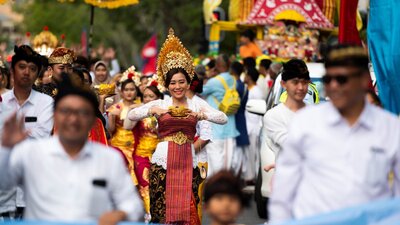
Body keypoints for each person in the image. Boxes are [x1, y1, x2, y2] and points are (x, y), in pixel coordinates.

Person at [269, 45, 400, 223]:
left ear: (363, 80)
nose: (333, 86)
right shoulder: (306, 124)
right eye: (328, 79)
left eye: (342, 79)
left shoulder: (389, 129)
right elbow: (283, 195)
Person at [0, 74, 143, 224]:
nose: (73, 119)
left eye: (82, 112)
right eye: (66, 111)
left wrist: (119, 214)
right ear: (54, 116)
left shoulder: (108, 159)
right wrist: (5, 149)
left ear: (92, 119)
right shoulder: (33, 153)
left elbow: (133, 206)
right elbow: (4, 184)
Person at [127, 28, 227, 225]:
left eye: (182, 82)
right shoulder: (162, 104)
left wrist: (202, 115)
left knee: (188, 211)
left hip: (188, 161)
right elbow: (131, 114)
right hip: (163, 161)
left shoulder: (196, 104)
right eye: (173, 83)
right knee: (162, 211)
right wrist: (151, 110)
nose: (177, 87)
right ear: (166, 84)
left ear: (189, 82)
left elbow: (222, 118)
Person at [125, 82, 163, 220]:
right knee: (145, 187)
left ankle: (159, 216)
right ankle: (149, 217)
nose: (147, 99)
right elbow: (127, 126)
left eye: (151, 96)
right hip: (141, 154)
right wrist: (132, 111)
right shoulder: (140, 112)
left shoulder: (164, 112)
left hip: (160, 156)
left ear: (158, 98)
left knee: (159, 187)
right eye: (145, 96)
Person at [202, 54, 240, 177]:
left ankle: (216, 187)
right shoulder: (233, 80)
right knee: (227, 161)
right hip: (231, 127)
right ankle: (227, 184)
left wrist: (207, 76)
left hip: (216, 128)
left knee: (215, 160)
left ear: (217, 66)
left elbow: (198, 90)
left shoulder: (214, 81)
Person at [264, 59, 310, 157]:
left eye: (304, 82)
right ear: (283, 84)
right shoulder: (273, 116)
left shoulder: (316, 113)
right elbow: (292, 145)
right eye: (295, 82)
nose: (301, 87)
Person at [107, 74, 141, 185]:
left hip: (136, 146)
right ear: (121, 92)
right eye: (126, 90)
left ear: (136, 91)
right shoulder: (115, 107)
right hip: (118, 146)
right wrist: (111, 117)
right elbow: (110, 130)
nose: (129, 92)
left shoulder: (140, 107)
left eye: (132, 89)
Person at [243, 66, 263, 183]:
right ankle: (248, 176)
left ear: (249, 77)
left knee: (252, 153)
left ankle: (253, 177)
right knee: (248, 153)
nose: (244, 77)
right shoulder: (248, 89)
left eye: (246, 75)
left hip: (253, 126)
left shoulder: (257, 91)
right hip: (247, 125)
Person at [230, 61, 249, 176]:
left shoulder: (233, 86)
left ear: (232, 71)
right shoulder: (245, 87)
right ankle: (240, 175)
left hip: (234, 118)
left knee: (235, 151)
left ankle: (235, 176)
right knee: (240, 151)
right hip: (242, 117)